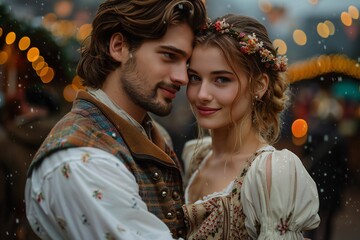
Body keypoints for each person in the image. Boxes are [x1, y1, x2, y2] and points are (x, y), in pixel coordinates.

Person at [25, 0, 207, 239]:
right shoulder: (82, 162)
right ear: (119, 46)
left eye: (186, 64)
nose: (182, 77)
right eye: (169, 56)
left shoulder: (155, 134)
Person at [181, 14, 320, 239]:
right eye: (195, 77)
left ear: (259, 85)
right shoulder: (196, 156)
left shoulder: (271, 173)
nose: (201, 94)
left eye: (221, 79)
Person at [0, 85, 60, 240]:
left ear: (25, 105)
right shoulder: (65, 136)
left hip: (20, 228)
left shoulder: (6, 141)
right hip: (59, 227)